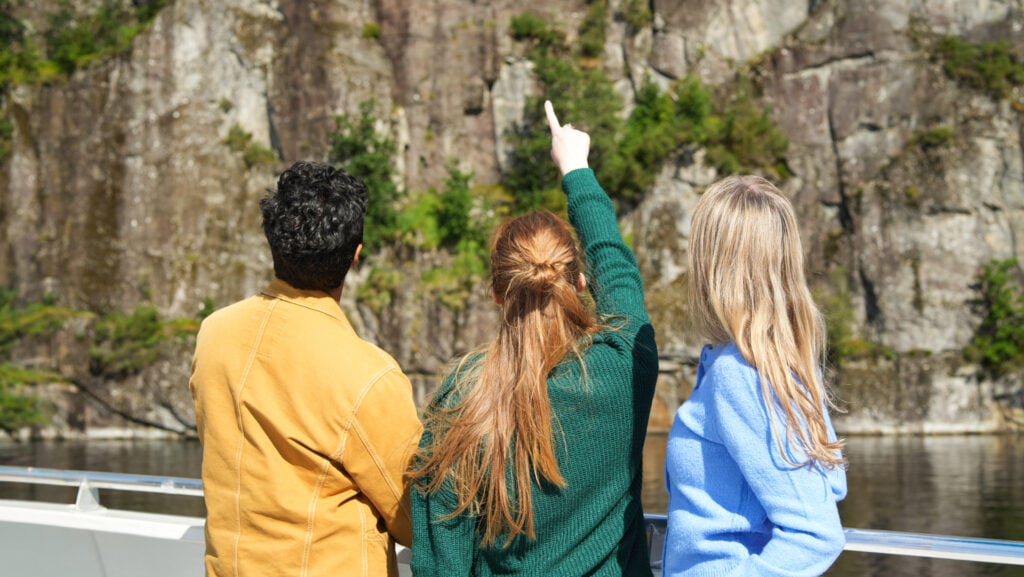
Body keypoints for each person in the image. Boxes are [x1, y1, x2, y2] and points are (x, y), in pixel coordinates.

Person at [408, 101, 659, 576]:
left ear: (497, 296)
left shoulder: (463, 398)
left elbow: (441, 563)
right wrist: (576, 168)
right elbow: (618, 271)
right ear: (581, 284)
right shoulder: (624, 369)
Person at [189, 161, 422, 577]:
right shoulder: (368, 374)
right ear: (355, 256)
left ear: (273, 243)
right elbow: (412, 517)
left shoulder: (214, 335)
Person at [662, 175, 848, 576]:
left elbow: (816, 534)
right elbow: (830, 484)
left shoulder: (741, 374)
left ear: (714, 264)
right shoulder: (780, 364)